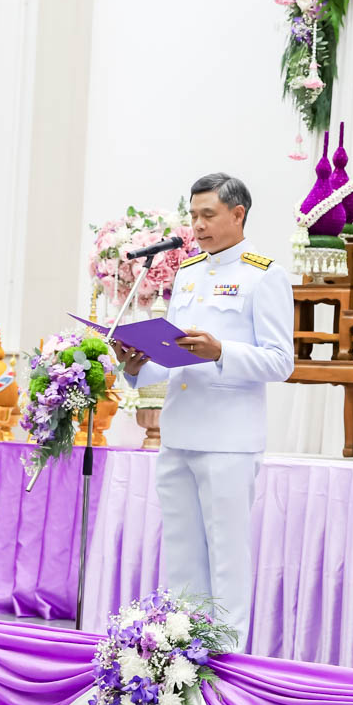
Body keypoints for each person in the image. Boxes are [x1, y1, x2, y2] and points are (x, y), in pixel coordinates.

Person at [114, 173, 293, 649]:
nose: (197, 226)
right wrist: (136, 366)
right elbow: (177, 356)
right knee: (181, 554)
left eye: (208, 215)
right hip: (179, 433)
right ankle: (182, 654)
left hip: (228, 440)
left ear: (238, 214)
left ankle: (227, 659)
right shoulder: (189, 272)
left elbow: (281, 362)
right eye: (193, 215)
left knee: (227, 557)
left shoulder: (265, 275)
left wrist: (221, 352)